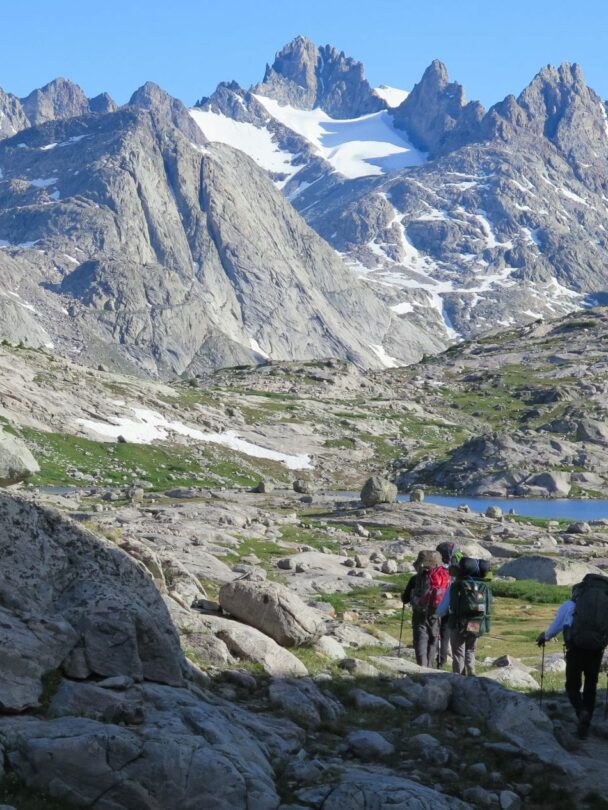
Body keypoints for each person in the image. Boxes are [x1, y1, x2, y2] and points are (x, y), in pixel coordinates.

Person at [537, 574, 608, 740]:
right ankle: (585, 728)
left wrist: (544, 637)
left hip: (575, 649)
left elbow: (556, 627)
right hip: (596, 650)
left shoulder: (570, 604)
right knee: (591, 686)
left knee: (572, 686)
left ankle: (581, 711)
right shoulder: (605, 605)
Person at [401, 550, 449, 667]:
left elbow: (405, 599)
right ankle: (429, 667)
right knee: (433, 640)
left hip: (419, 614)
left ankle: (422, 667)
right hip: (436, 614)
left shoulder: (415, 579)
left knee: (420, 640)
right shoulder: (443, 578)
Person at [447, 557, 492, 676]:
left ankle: (459, 677)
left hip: (458, 622)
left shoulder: (457, 585)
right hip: (476, 621)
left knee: (458, 652)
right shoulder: (484, 586)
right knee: (470, 649)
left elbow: (446, 606)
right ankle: (472, 673)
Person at [435, 542, 462, 667]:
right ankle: (450, 662)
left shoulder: (438, 568)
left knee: (440, 632)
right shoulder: (458, 568)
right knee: (450, 633)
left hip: (438, 602)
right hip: (455, 605)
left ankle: (439, 660)